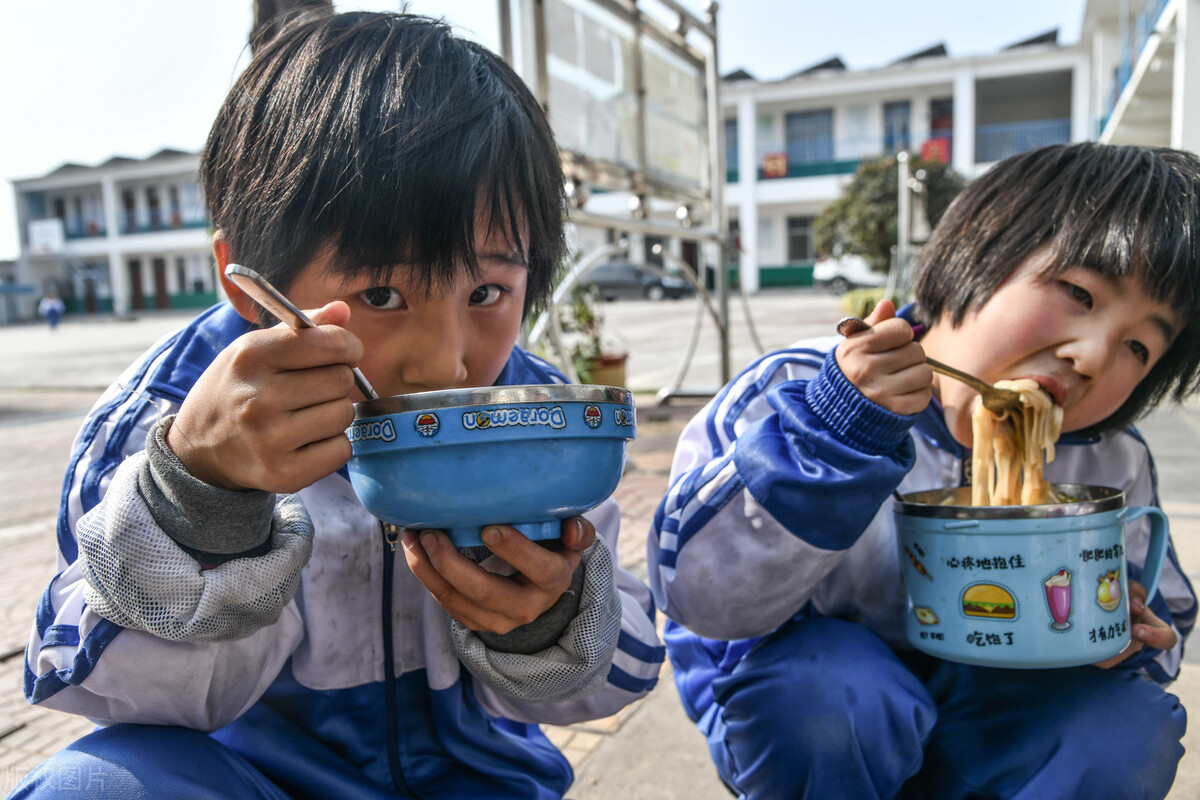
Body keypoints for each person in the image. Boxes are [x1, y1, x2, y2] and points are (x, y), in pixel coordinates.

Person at [12, 11, 662, 799]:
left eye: (488, 291)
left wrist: (550, 625)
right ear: (247, 283)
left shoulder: (542, 419)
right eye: (382, 292)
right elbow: (96, 684)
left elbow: (624, 670)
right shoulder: (167, 419)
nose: (444, 362)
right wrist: (201, 501)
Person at [648, 142, 1199, 799]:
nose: (1092, 354)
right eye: (1079, 292)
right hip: (815, 714)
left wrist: (1130, 634)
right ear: (975, 250)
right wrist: (838, 432)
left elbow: (1161, 608)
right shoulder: (802, 388)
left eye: (1139, 344)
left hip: (997, 708)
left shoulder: (1108, 456)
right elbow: (696, 596)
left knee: (1125, 729)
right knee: (828, 695)